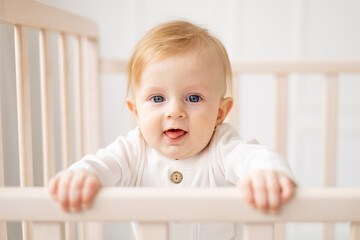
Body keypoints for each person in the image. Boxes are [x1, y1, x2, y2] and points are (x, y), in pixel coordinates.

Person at [49, 20, 296, 239]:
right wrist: (82, 176)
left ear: (220, 113)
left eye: (194, 98)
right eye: (157, 99)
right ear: (136, 112)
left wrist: (266, 172)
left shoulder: (222, 146)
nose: (175, 111)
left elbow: (253, 156)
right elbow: (101, 164)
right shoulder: (133, 150)